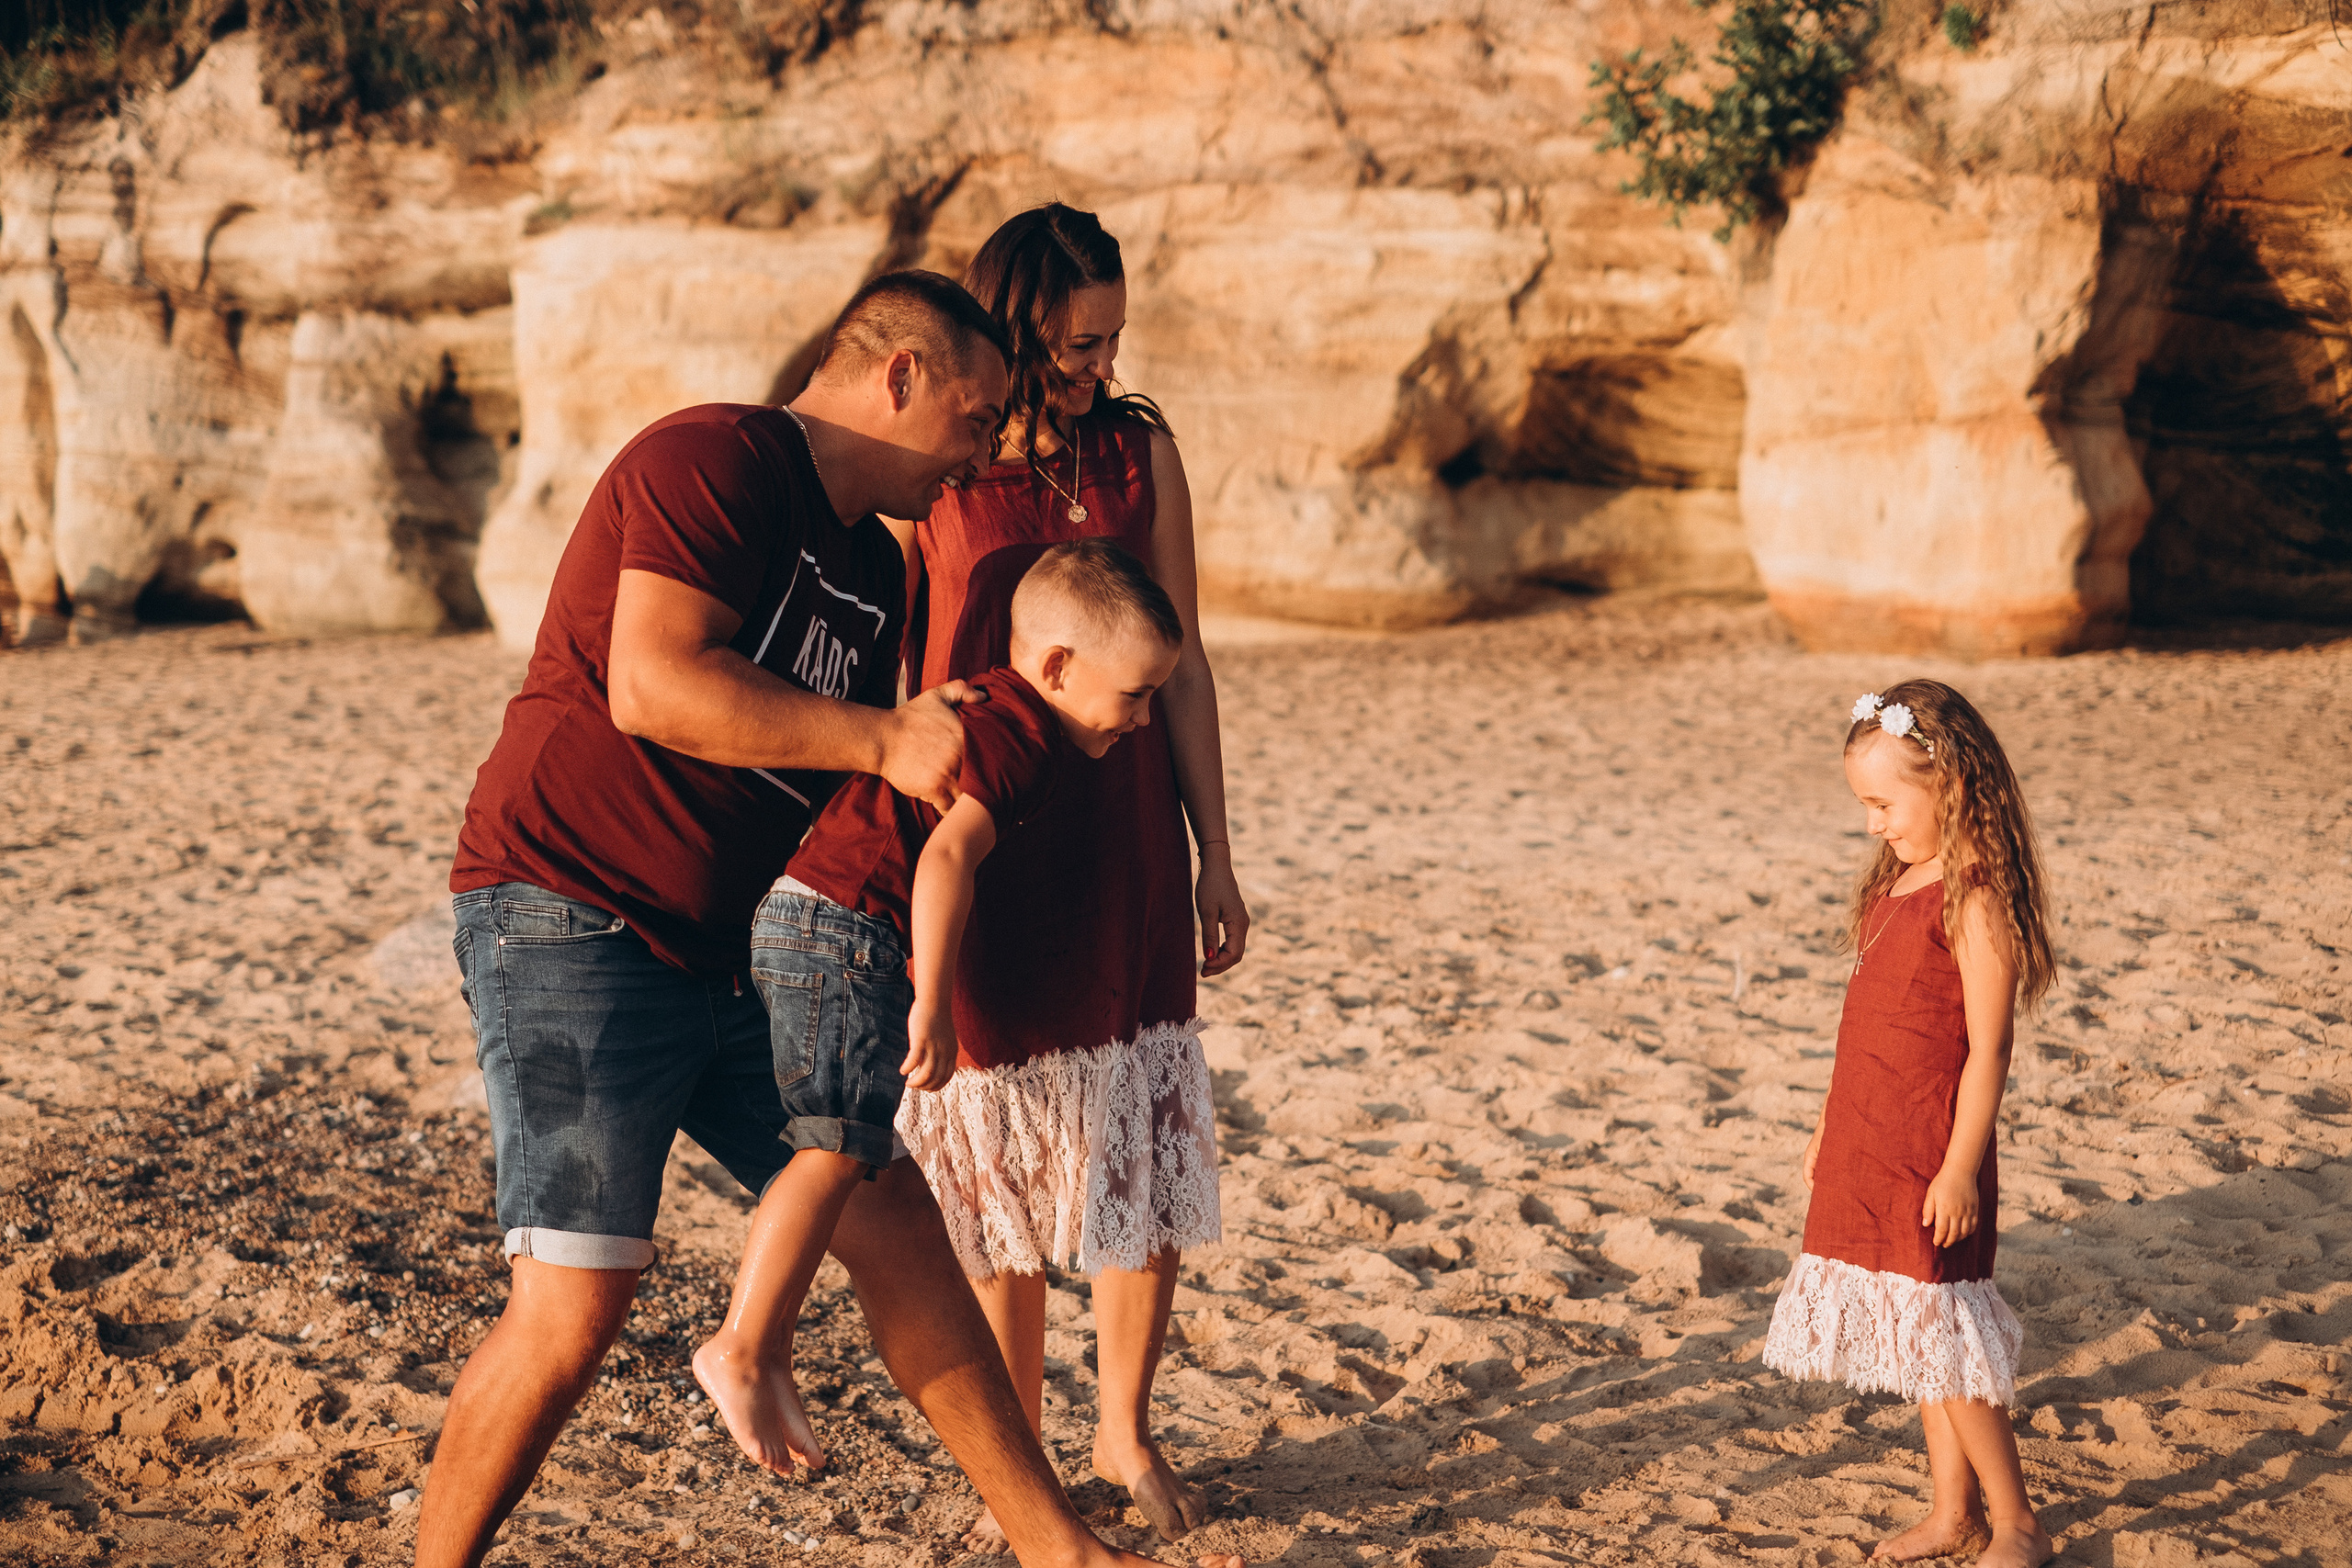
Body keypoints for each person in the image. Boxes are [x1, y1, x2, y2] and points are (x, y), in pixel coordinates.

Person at [420, 269, 1242, 1568]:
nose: (984, 449)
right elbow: (652, 683)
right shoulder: (717, 457)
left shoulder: (870, 562)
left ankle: (1057, 1548)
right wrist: (886, 736)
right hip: (567, 909)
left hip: (724, 943)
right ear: (899, 377)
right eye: (975, 419)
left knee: (904, 1221)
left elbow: (845, 792)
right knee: (576, 1308)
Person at [888, 201, 1248, 1549]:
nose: (1103, 358)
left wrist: (1217, 849)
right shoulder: (941, 468)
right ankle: (1024, 1446)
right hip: (986, 835)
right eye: (1083, 337)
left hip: (1127, 832)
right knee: (998, 1149)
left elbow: (1190, 655)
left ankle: (1126, 1426)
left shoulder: (1138, 447)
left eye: (1116, 337)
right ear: (1025, 324)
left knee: (1130, 1134)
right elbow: (912, 668)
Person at [692, 539, 1187, 1477]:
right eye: (1133, 695)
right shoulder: (1027, 742)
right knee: (834, 1147)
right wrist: (933, 999)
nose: (1144, 718)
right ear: (1056, 667)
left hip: (805, 916)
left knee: (839, 1148)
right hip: (841, 930)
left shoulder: (982, 703)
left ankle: (758, 1347)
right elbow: (947, 860)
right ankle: (745, 1344)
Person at [1763, 681, 2059, 1568]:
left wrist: (1963, 1165)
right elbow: (1862, 1030)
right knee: (1914, 1341)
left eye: (1885, 804)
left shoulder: (1974, 896)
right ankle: (1951, 1513)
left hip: (1933, 1149)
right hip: (1871, 1136)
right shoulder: (1895, 884)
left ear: (1951, 784)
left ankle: (2019, 1523)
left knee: (1945, 1342)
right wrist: (1829, 1128)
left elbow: (1990, 1047)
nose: (1873, 826)